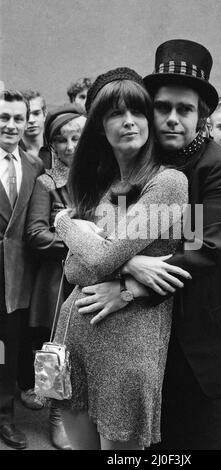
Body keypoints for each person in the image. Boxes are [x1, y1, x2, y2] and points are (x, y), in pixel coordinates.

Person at [75, 40, 221, 450]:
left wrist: (130, 283)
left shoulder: (219, 167)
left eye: (185, 109)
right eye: (163, 108)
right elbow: (109, 237)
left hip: (209, 352)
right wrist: (130, 263)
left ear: (202, 117)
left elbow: (205, 247)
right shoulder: (138, 168)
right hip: (151, 347)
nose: (173, 119)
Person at [52, 67, 189, 450]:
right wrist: (131, 262)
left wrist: (65, 223)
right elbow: (74, 268)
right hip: (77, 331)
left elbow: (95, 261)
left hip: (131, 341)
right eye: (115, 113)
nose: (129, 122)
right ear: (99, 127)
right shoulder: (102, 183)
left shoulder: (169, 184)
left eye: (138, 112)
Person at [24, 105, 86, 450]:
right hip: (59, 280)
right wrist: (80, 239)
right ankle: (57, 417)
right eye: (61, 140)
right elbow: (35, 234)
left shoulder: (102, 178)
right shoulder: (46, 183)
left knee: (87, 351)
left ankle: (85, 416)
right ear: (51, 145)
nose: (70, 146)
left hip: (94, 277)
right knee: (59, 350)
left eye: (77, 137)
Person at [0, 90, 43, 449]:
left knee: (6, 347)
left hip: (14, 276)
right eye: (3, 117)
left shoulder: (32, 166)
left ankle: (4, 416)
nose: (11, 125)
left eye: (18, 118)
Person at [20, 90, 52, 169]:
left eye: (36, 113)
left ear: (44, 114)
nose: (31, 120)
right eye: (25, 115)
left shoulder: (57, 149)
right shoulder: (10, 151)